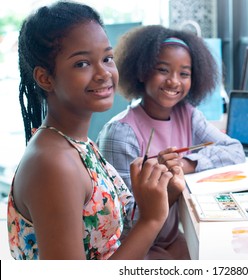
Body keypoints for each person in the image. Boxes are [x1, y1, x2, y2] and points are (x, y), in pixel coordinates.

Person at [7, 1, 173, 260]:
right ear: (45, 78)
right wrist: (150, 220)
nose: (104, 73)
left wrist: (162, 192)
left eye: (107, 58)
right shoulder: (53, 164)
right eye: (82, 63)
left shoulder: (76, 142)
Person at [96, 25, 246, 259]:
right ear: (142, 71)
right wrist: (169, 190)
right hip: (132, 250)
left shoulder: (187, 114)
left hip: (168, 238)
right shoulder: (121, 133)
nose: (174, 81)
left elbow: (235, 151)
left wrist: (186, 164)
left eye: (184, 73)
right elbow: (124, 222)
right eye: (163, 70)